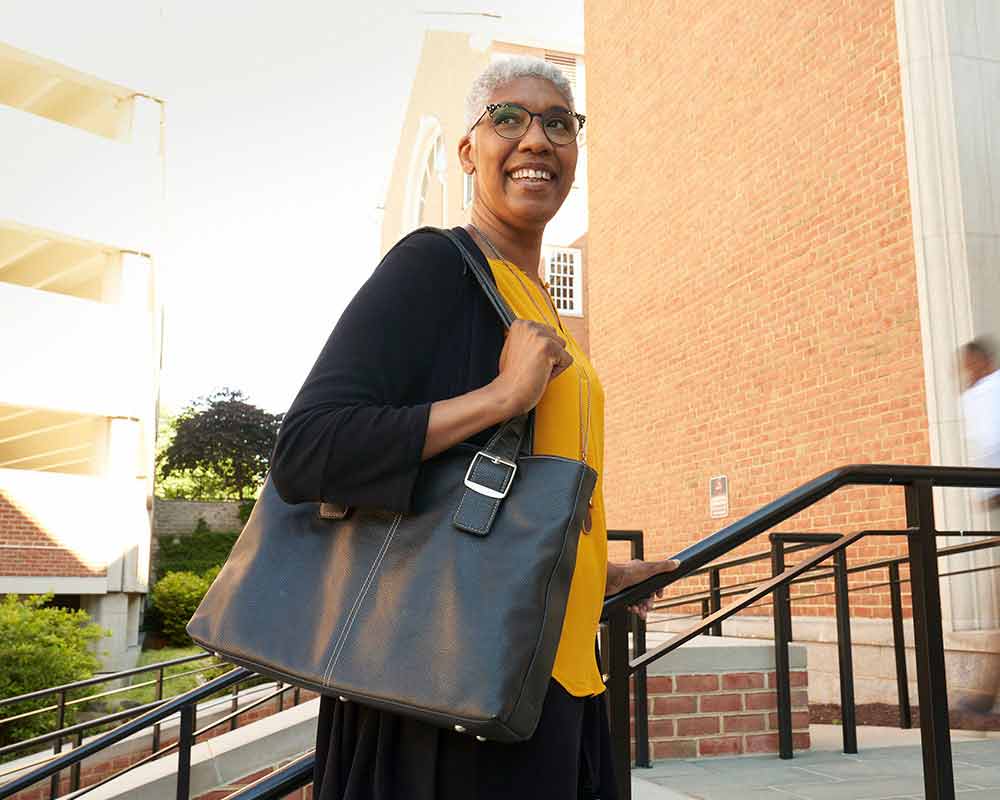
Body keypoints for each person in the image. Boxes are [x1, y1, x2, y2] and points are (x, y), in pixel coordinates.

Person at [270, 56, 679, 800]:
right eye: (509, 118)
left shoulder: (537, 302)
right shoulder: (433, 267)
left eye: (559, 123)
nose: (537, 139)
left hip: (554, 677)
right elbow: (308, 451)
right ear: (468, 151)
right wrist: (499, 397)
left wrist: (586, 570)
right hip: (445, 690)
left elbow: (494, 496)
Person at [960, 337, 1000, 509]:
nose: (970, 371)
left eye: (972, 364)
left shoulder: (994, 385)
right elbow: (980, 442)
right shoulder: (972, 395)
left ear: (985, 361)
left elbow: (991, 439)